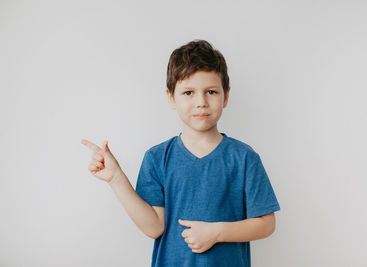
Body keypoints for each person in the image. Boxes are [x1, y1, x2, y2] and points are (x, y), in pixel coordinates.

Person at [81, 39, 281, 267]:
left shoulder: (245, 158)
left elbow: (266, 224)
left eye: (211, 92)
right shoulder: (157, 158)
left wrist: (217, 232)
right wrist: (116, 179)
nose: (201, 102)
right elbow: (154, 227)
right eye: (188, 92)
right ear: (170, 97)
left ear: (225, 96)